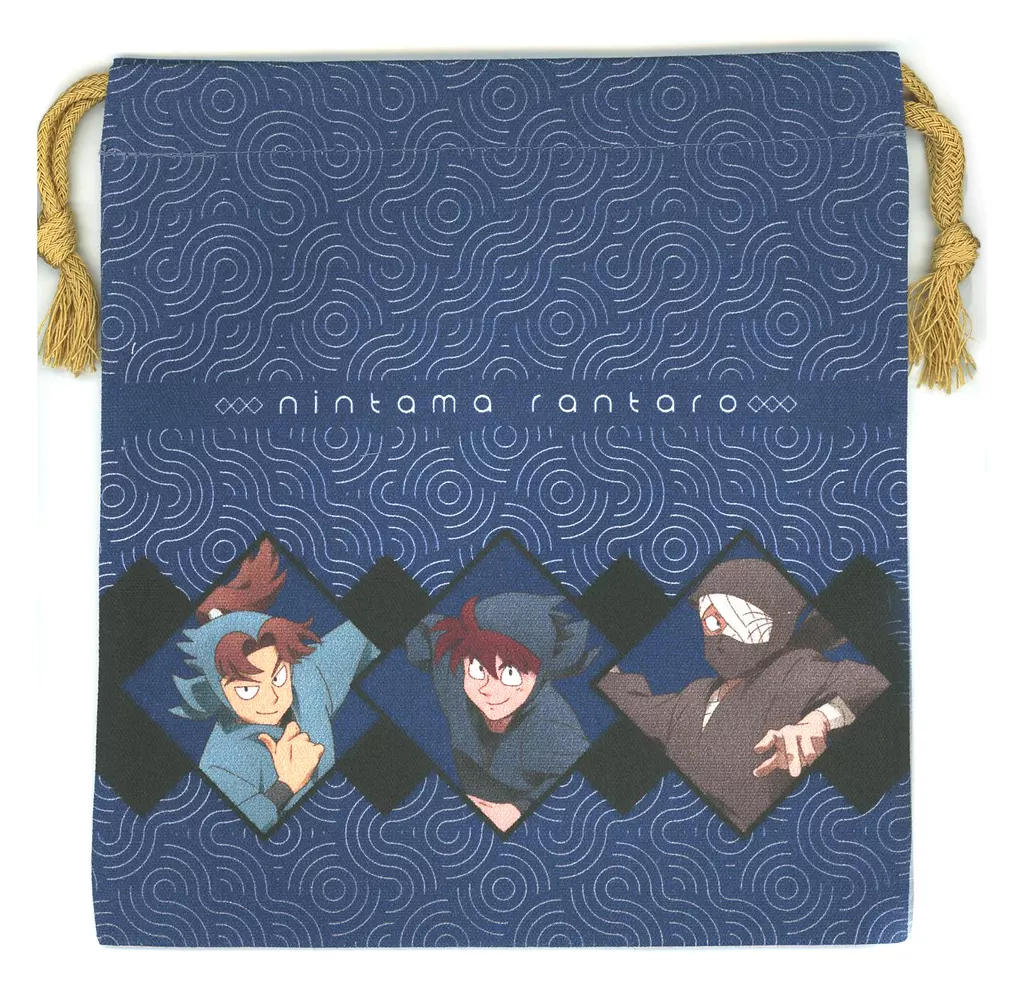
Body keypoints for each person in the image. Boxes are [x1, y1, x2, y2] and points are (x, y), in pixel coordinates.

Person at [599, 558, 889, 833]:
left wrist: (818, 721)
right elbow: (640, 709)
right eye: (707, 623)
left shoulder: (793, 672)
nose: (714, 636)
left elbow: (867, 683)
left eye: (722, 621)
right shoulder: (696, 694)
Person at [171, 540, 378, 833]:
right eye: (247, 690)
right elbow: (223, 834)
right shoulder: (220, 764)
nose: (272, 699)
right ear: (219, 691)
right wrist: (287, 785)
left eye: (278, 677)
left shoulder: (307, 678)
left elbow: (366, 630)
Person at [405, 593, 596, 831]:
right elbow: (425, 628)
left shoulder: (552, 726)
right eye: (477, 668)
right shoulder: (454, 678)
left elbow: (592, 780)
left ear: (539, 676)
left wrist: (519, 810)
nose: (488, 688)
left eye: (510, 674)